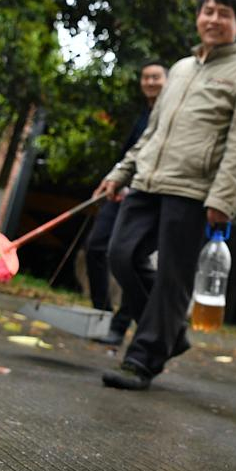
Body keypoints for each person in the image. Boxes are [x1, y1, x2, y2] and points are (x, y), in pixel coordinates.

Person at [94, 0, 236, 391]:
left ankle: (142, 360)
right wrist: (121, 172)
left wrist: (224, 198)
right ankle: (170, 333)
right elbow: (153, 131)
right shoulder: (179, 69)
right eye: (208, 11)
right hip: (148, 180)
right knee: (120, 255)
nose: (213, 19)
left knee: (173, 277)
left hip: (195, 190)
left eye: (223, 14)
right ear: (198, 17)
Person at [85, 59, 168, 346]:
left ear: (167, 80)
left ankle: (121, 326)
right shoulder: (143, 117)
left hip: (149, 195)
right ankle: (102, 314)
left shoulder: (171, 112)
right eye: (145, 77)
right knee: (96, 247)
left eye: (156, 77)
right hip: (123, 192)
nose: (150, 82)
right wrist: (113, 180)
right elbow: (129, 155)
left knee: (130, 258)